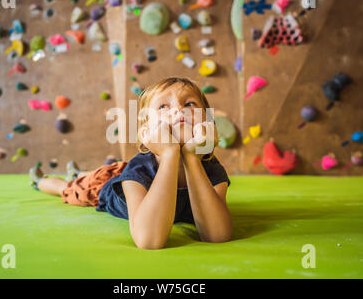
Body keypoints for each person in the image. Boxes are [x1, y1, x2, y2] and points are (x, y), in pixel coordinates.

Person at [29, 77, 233, 249]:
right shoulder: (137, 171)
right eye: (163, 106)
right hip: (105, 184)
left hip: (130, 168)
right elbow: (149, 239)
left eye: (189, 104)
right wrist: (170, 154)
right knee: (72, 189)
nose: (179, 110)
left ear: (207, 122)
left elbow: (217, 235)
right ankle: (42, 180)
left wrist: (191, 157)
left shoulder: (211, 168)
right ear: (146, 132)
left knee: (85, 175)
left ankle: (77, 172)